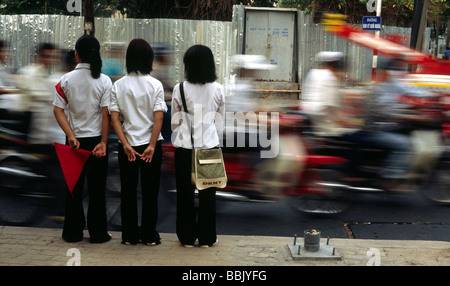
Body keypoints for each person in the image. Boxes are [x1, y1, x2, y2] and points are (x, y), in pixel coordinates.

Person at [53, 35, 112, 243]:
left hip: (74, 143)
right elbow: (106, 115)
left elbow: (58, 110)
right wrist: (103, 142)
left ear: (76, 54)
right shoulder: (104, 81)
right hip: (97, 142)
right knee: (97, 191)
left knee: (73, 190)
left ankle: (72, 233)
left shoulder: (65, 80)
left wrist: (70, 135)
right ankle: (98, 233)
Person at [109, 38, 167, 246]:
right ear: (149, 59)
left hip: (128, 145)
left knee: (128, 191)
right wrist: (152, 145)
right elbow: (158, 117)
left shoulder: (119, 85)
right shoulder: (155, 84)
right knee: (150, 192)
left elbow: (115, 117)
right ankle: (150, 235)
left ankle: (129, 236)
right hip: (151, 145)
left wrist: (125, 144)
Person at [171, 45, 225, 248]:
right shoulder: (219, 89)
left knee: (184, 195)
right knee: (208, 196)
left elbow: (175, 124)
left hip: (185, 148)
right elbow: (220, 124)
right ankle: (207, 238)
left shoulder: (180, 88)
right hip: (209, 147)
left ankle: (186, 237)